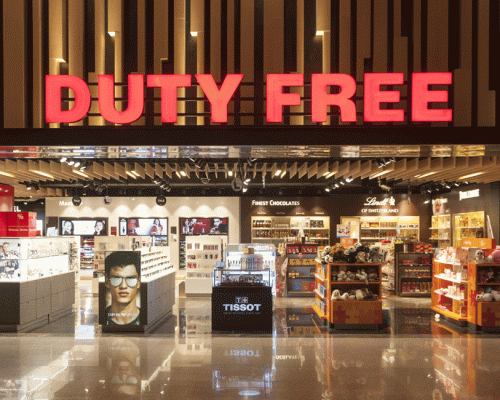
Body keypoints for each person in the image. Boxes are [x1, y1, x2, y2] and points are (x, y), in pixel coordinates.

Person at [105, 251, 141, 325]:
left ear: (138, 282)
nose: (123, 286)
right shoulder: (101, 317)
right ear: (107, 282)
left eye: (130, 279)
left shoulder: (146, 317)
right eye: (116, 279)